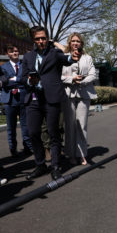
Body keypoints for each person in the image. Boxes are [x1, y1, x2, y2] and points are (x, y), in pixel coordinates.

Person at [22, 26, 77, 181]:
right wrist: (29, 80)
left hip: (51, 99)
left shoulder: (55, 54)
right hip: (33, 99)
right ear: (33, 40)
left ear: (48, 38)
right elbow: (22, 77)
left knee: (54, 134)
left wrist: (73, 55)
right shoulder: (28, 57)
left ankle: (55, 166)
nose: (41, 41)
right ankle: (40, 165)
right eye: (38, 38)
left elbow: (68, 59)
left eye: (43, 38)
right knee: (33, 133)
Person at [59, 33, 97, 166]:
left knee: (82, 126)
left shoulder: (87, 58)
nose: (75, 43)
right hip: (68, 94)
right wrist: (71, 79)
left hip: (84, 94)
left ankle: (81, 154)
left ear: (81, 44)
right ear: (69, 43)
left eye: (78, 41)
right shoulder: (63, 57)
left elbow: (93, 74)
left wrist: (82, 81)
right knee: (70, 126)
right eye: (73, 41)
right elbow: (58, 76)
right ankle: (70, 153)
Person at [1, 44, 32, 157]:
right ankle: (13, 149)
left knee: (26, 125)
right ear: (7, 54)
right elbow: (4, 82)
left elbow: (28, 80)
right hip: (9, 100)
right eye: (12, 51)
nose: (15, 53)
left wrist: (16, 79)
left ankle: (28, 148)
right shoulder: (3, 68)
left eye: (17, 51)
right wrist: (20, 81)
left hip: (24, 98)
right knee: (11, 127)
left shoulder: (25, 66)